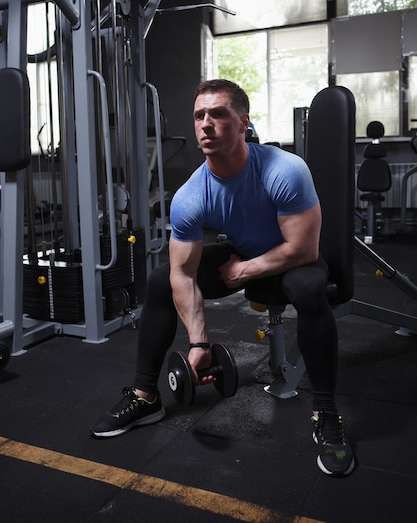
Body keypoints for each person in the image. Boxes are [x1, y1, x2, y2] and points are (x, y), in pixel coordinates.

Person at [90, 78, 355, 477]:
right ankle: (145, 396)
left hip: (290, 261)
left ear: (243, 122)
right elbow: (183, 272)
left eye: (218, 114)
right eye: (199, 116)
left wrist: (244, 269)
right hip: (245, 255)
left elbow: (304, 250)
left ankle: (325, 413)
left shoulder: (284, 170)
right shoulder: (192, 195)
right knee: (162, 279)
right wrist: (199, 342)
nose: (206, 124)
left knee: (309, 285)